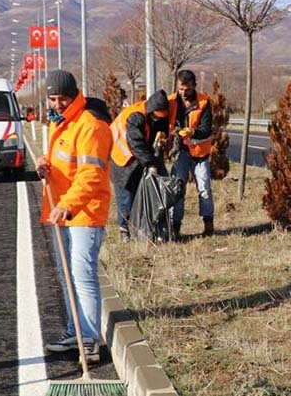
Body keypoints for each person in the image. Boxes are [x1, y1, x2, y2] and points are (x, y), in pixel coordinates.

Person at [36, 70, 113, 365]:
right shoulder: (65, 124)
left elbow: (91, 175)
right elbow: (66, 163)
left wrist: (68, 204)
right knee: (68, 277)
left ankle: (90, 340)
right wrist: (46, 165)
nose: (57, 104)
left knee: (82, 277)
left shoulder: (90, 125)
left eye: (62, 98)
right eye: (53, 99)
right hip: (64, 212)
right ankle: (75, 332)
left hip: (85, 212)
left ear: (75, 94)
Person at [109, 90, 170, 241]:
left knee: (137, 194)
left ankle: (139, 230)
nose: (157, 119)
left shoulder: (150, 116)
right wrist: (150, 163)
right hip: (120, 158)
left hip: (135, 158)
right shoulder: (136, 116)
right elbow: (135, 142)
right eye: (156, 116)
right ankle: (124, 230)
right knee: (126, 196)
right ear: (150, 111)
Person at [168, 70, 215, 239]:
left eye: (186, 89)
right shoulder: (171, 102)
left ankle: (208, 225)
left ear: (194, 86)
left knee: (205, 190)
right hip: (180, 152)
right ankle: (175, 227)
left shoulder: (204, 102)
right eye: (180, 89)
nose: (183, 93)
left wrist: (192, 132)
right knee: (178, 189)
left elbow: (206, 129)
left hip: (200, 153)